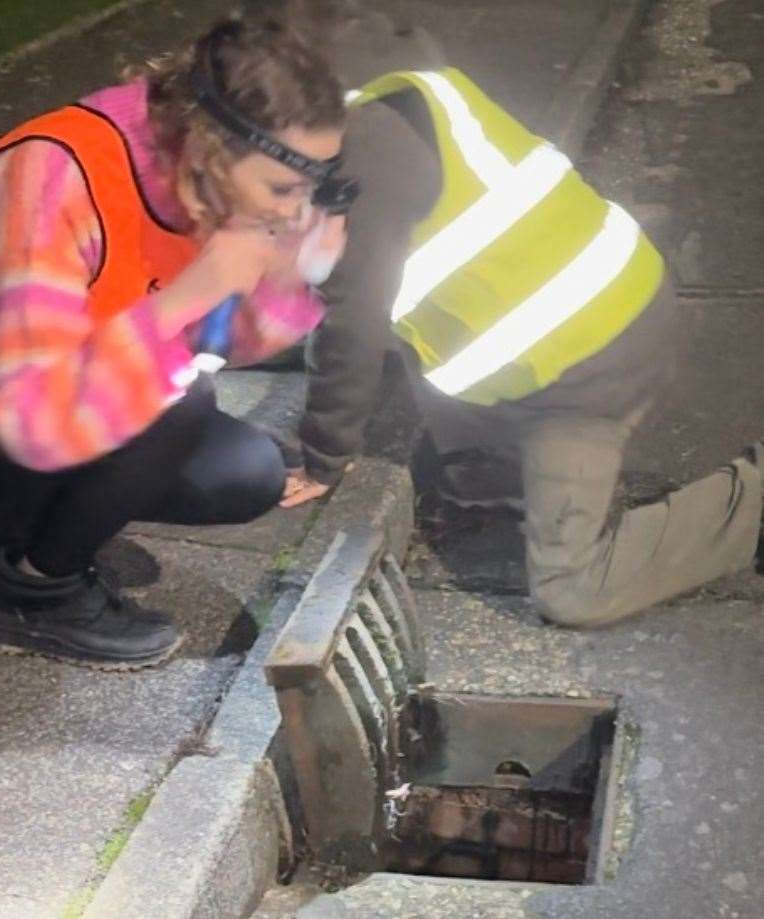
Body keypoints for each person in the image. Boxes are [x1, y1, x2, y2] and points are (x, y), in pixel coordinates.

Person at [0, 16, 348, 668]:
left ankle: (19, 524)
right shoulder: (47, 180)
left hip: (28, 401)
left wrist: (282, 276)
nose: (295, 209)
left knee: (245, 473)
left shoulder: (205, 184)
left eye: (317, 186)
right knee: (176, 400)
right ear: (209, 150)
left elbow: (232, 341)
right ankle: (33, 597)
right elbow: (42, 418)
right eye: (285, 188)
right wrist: (183, 299)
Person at [276, 1, 763, 628]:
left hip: (587, 371)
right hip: (603, 307)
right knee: (455, 449)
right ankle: (491, 476)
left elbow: (350, 320)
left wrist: (321, 455)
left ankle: (752, 500)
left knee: (573, 591)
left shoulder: (364, 151)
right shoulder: (403, 77)